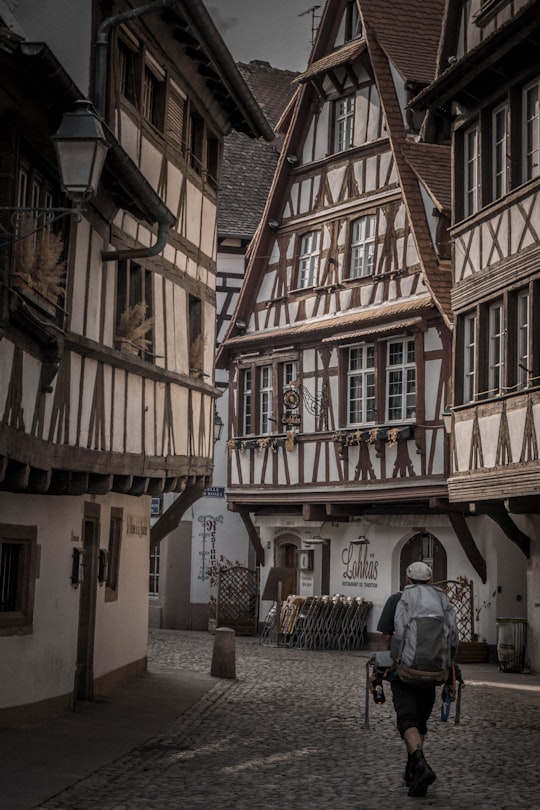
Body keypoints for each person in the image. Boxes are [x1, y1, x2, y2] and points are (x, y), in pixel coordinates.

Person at [374, 561, 456, 798]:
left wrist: (379, 672)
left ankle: (421, 765)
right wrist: (450, 674)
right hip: (433, 671)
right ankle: (413, 770)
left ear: (408, 579)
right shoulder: (442, 600)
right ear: (430, 580)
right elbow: (452, 640)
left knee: (407, 720)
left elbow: (385, 639)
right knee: (420, 721)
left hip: (403, 670)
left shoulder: (398, 599)